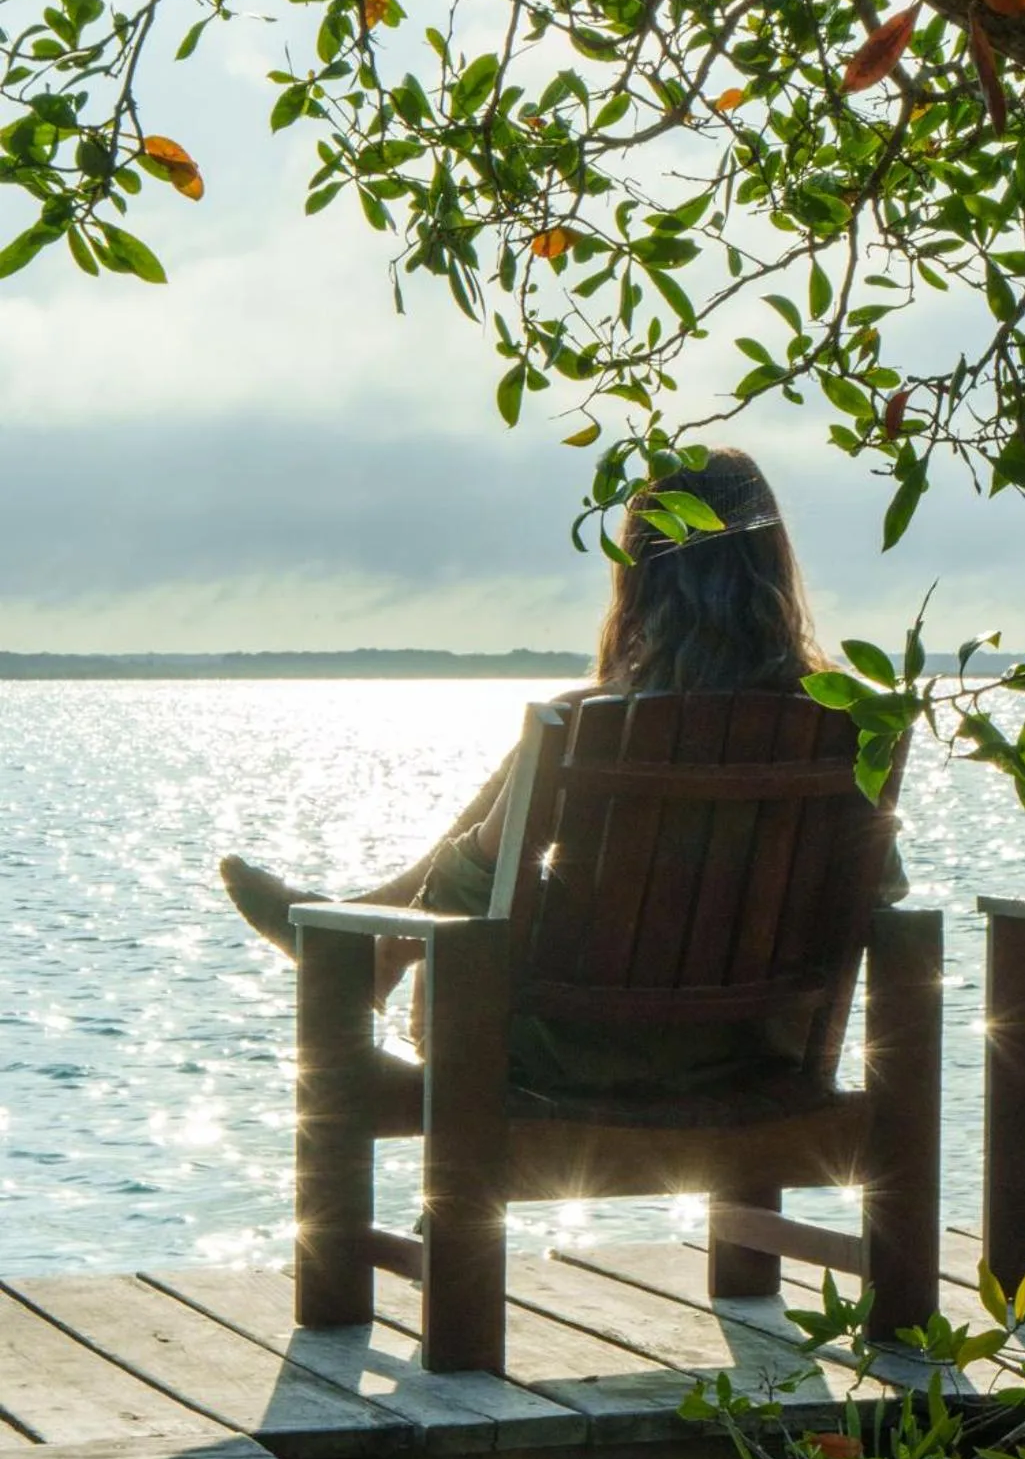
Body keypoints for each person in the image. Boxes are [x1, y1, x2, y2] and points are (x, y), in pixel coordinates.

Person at [221, 446, 902, 1086]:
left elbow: (465, 889)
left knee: (462, 925)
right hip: (760, 1058)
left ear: (639, 572)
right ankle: (359, 936)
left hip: (573, 1059)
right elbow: (877, 892)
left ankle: (359, 945)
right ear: (774, 561)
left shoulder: (589, 724)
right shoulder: (845, 723)